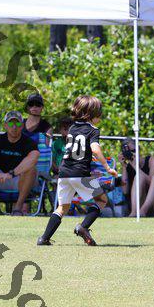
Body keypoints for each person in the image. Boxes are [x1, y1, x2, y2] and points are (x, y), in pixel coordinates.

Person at [37, 95, 118, 246]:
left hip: (64, 173)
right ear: (91, 114)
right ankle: (83, 227)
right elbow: (95, 149)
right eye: (99, 113)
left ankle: (44, 238)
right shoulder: (93, 130)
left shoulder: (72, 128)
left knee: (62, 207)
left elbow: (76, 149)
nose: (100, 116)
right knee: (102, 200)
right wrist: (107, 167)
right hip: (81, 174)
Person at [0, 111, 40, 215]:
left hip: (20, 180)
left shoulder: (29, 142)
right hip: (1, 179)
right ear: (5, 125)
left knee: (31, 169)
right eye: (10, 123)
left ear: (22, 126)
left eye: (17, 123)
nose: (14, 127)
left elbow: (34, 157)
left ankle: (18, 208)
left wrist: (12, 173)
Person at [120, 137, 154, 217]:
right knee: (138, 177)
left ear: (138, 149)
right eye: (129, 152)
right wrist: (124, 167)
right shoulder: (128, 167)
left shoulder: (151, 160)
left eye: (134, 151)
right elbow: (125, 191)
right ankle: (134, 212)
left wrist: (136, 167)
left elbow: (151, 182)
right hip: (140, 204)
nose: (132, 154)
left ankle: (143, 211)